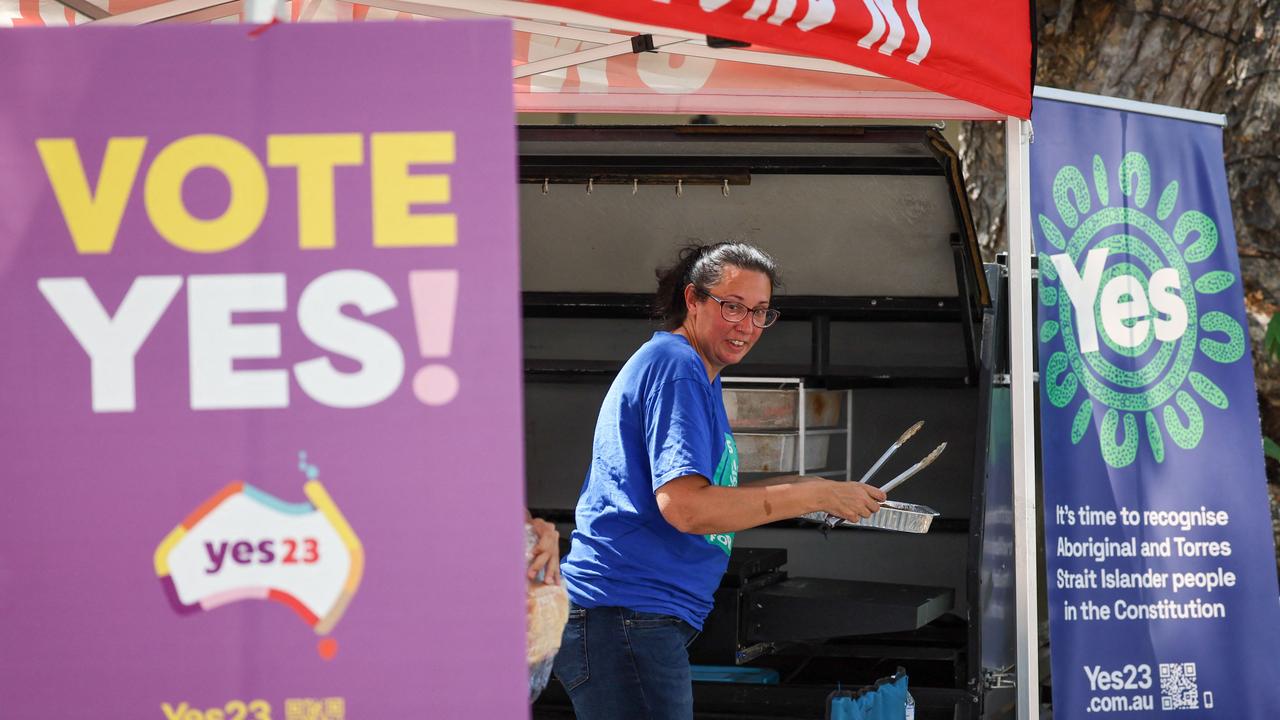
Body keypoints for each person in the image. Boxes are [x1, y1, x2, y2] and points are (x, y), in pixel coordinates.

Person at [552, 242, 886, 720]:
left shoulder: (694, 372)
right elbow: (688, 509)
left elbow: (707, 498)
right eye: (732, 307)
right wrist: (812, 494)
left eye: (760, 313)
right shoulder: (678, 367)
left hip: (631, 616)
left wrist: (814, 488)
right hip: (625, 610)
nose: (746, 326)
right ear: (692, 299)